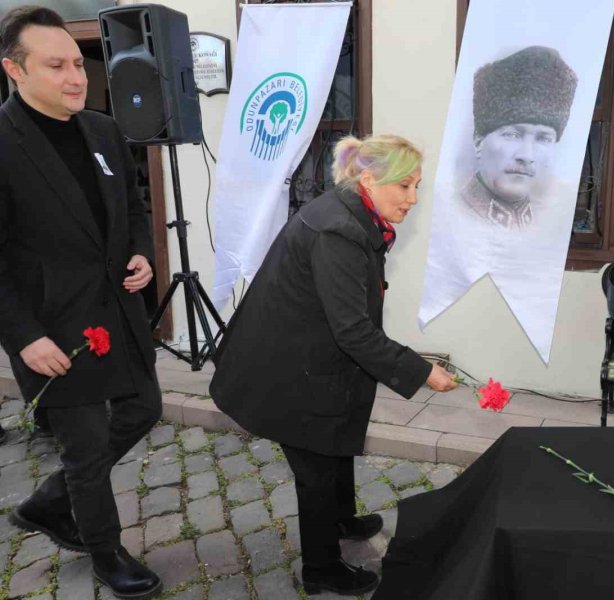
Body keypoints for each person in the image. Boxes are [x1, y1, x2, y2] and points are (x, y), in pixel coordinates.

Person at [210, 134, 458, 596]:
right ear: (368, 179)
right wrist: (422, 371)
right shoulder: (338, 230)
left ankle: (341, 520)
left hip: (308, 351)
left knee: (335, 441)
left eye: (417, 186)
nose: (413, 198)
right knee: (317, 465)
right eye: (404, 186)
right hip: (284, 365)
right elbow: (353, 331)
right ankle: (321, 568)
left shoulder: (353, 212)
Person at [0, 7, 162, 598]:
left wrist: (142, 252)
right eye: (57, 64)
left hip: (118, 312)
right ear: (13, 70)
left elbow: (134, 208)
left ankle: (47, 502)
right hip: (53, 329)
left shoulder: (103, 130)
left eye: (77, 61)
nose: (77, 75)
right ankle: (106, 553)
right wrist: (22, 336)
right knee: (87, 448)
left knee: (144, 408)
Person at [458, 45, 578, 231]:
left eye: (543, 138)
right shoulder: (451, 218)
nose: (527, 155)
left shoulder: (549, 226)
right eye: (513, 135)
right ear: (479, 140)